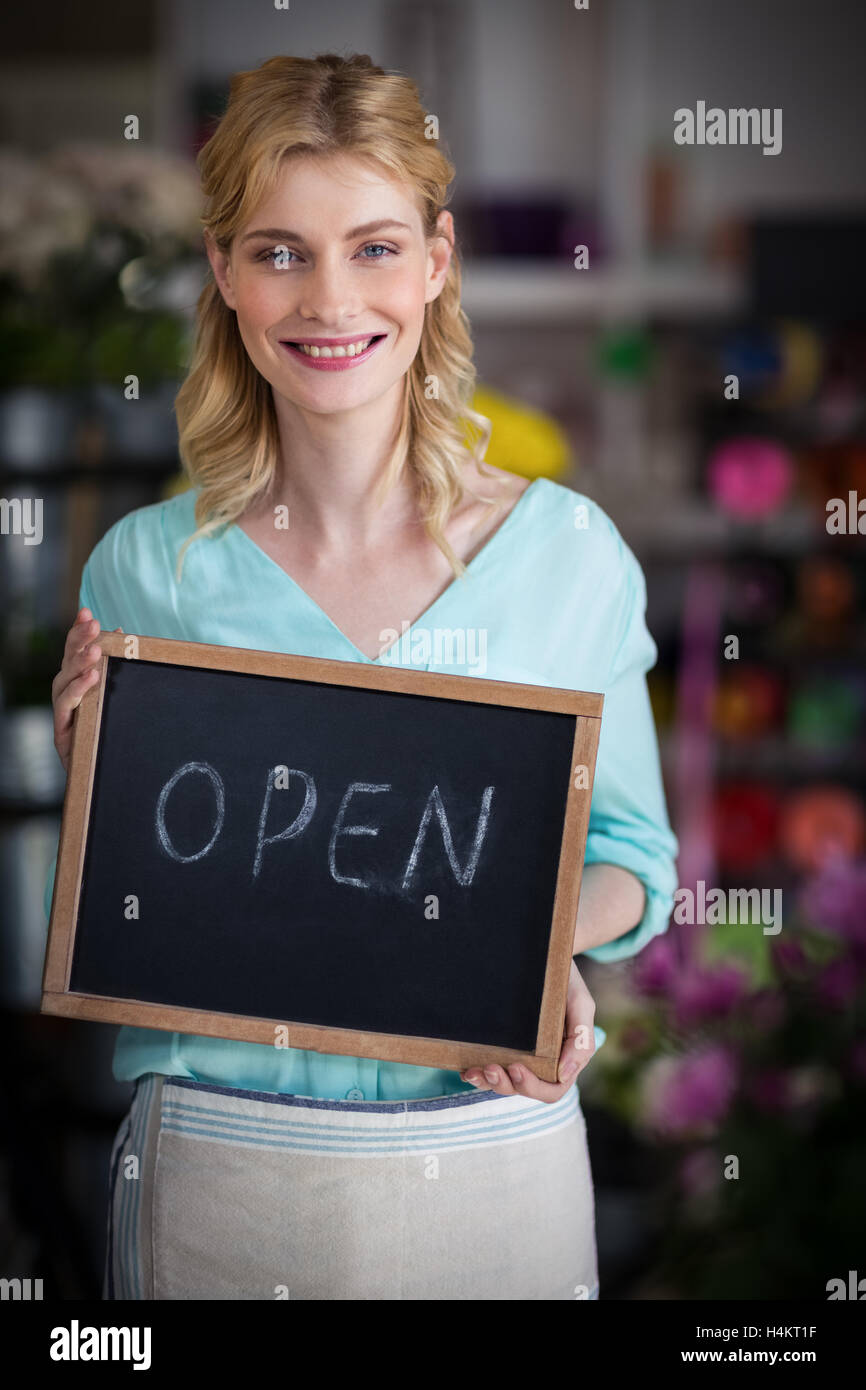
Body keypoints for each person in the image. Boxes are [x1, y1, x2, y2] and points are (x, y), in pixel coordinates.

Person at [47, 52, 678, 1300]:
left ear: (435, 262)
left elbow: (635, 860)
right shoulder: (143, 572)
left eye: (374, 247)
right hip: (219, 1178)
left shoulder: (569, 557)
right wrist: (93, 788)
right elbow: (150, 901)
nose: (329, 299)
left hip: (493, 1168)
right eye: (279, 251)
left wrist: (541, 950)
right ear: (222, 271)